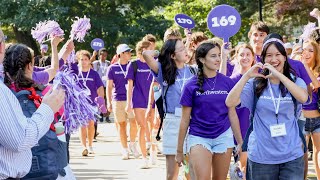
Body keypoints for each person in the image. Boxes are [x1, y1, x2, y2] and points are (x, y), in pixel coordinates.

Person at [226, 35, 308, 180]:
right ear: (263, 59)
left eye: (278, 55)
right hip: (261, 157)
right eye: (269, 55)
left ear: (285, 57)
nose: (273, 59)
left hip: (292, 155)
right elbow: (230, 102)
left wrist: (279, 75)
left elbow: (303, 97)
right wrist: (246, 77)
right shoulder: (256, 84)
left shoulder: (296, 82)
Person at [0, 29, 65, 179]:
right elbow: (20, 140)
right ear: (30, 65)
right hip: (42, 167)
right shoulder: (39, 93)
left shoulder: (7, 87)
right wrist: (48, 109)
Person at [176, 42, 242, 179]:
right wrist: (179, 150)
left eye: (219, 55)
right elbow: (184, 120)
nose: (218, 59)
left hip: (223, 136)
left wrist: (240, 142)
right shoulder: (190, 85)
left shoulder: (227, 82)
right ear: (201, 59)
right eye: (213, 56)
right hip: (199, 137)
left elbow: (232, 114)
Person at [143, 39, 194, 180]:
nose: (185, 51)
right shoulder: (163, 70)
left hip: (193, 122)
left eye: (185, 48)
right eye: (181, 49)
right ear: (172, 55)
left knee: (191, 171)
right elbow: (146, 54)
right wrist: (159, 53)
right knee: (172, 174)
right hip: (173, 120)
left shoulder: (193, 69)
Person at [107, 44, 138, 160]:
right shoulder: (112, 68)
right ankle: (124, 149)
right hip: (118, 100)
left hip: (132, 100)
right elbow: (109, 87)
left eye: (130, 52)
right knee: (122, 125)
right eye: (127, 52)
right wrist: (109, 102)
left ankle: (132, 143)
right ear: (121, 54)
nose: (130, 54)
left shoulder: (133, 66)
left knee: (134, 123)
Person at [126, 40, 153, 168]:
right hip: (138, 100)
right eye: (150, 49)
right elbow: (130, 85)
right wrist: (128, 103)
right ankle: (144, 157)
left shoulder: (154, 63)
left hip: (152, 100)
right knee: (142, 126)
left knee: (153, 127)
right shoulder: (134, 64)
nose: (153, 51)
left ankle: (152, 151)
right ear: (142, 50)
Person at [229, 43, 255, 176]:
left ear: (253, 57)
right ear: (236, 57)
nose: (245, 57)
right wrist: (239, 139)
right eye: (241, 54)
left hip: (257, 130)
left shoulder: (260, 79)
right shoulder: (232, 80)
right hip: (240, 129)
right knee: (243, 167)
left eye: (248, 54)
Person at [300, 40, 320, 179]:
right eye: (305, 50)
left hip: (317, 119)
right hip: (302, 119)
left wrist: (305, 66)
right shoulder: (298, 70)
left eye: (311, 51)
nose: (307, 53)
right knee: (303, 154)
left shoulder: (318, 72)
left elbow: (315, 84)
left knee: (319, 152)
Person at [92, 48, 111, 123]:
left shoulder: (108, 63)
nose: (103, 56)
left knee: (107, 100)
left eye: (105, 55)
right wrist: (93, 56)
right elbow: (89, 63)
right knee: (100, 100)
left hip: (106, 84)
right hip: (98, 84)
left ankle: (107, 116)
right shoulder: (96, 63)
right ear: (99, 55)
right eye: (102, 55)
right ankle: (100, 115)